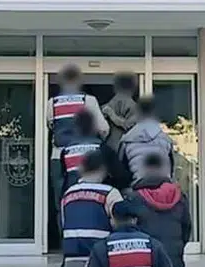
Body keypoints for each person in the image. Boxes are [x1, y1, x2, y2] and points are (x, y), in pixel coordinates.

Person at [48, 64, 109, 230]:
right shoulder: (88, 100)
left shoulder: (52, 103)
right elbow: (104, 129)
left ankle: (66, 235)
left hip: (59, 157)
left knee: (63, 200)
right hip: (86, 155)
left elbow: (50, 126)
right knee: (92, 196)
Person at [61, 110, 129, 192]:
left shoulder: (66, 151)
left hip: (72, 196)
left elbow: (63, 181)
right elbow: (122, 178)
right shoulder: (103, 148)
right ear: (94, 126)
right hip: (98, 196)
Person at [119, 96, 175, 183]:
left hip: (138, 186)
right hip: (163, 186)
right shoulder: (166, 140)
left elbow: (122, 172)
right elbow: (171, 169)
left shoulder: (127, 140)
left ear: (138, 112)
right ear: (154, 113)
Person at [101, 72, 140, 153]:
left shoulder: (133, 106)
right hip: (116, 147)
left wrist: (112, 115)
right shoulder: (108, 105)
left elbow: (127, 125)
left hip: (122, 147)